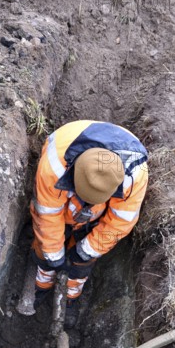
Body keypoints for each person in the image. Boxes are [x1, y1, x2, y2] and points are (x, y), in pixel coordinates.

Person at [30, 120, 148, 328]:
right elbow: (47, 214)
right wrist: (53, 254)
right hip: (60, 194)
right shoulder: (54, 165)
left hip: (96, 215)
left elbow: (119, 223)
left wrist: (85, 251)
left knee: (82, 262)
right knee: (45, 250)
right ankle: (40, 287)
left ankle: (70, 298)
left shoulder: (134, 177)